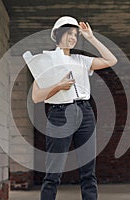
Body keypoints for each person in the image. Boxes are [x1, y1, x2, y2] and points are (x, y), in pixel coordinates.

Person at [32, 16, 117, 200]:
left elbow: (111, 60)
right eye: (69, 33)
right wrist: (58, 87)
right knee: (53, 172)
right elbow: (36, 97)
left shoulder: (82, 60)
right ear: (58, 34)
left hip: (85, 113)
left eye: (76, 34)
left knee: (88, 172)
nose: (73, 37)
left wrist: (91, 38)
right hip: (59, 115)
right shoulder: (45, 60)